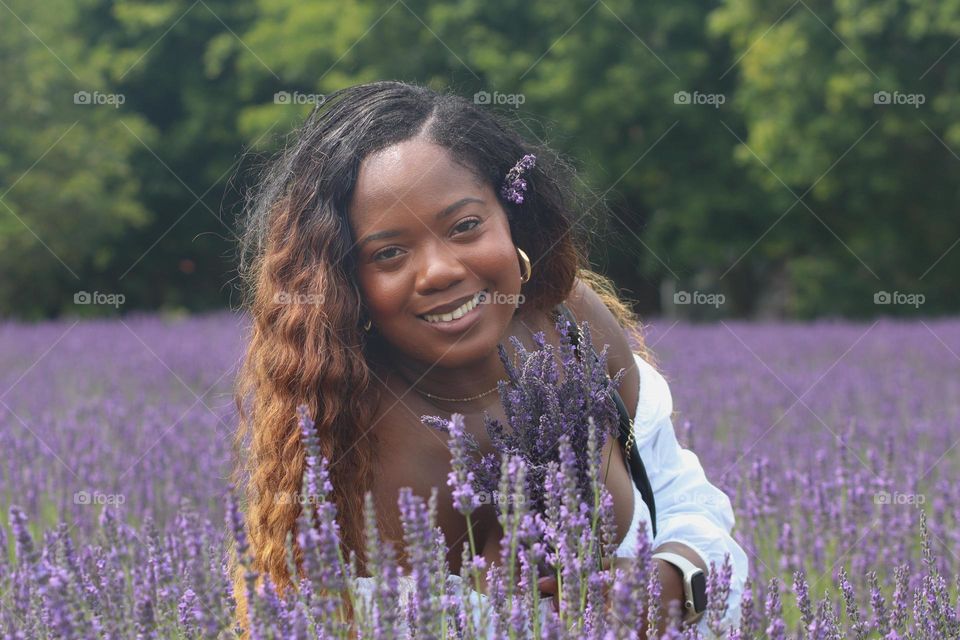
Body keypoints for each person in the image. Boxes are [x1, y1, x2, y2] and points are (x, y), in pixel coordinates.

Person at [229, 79, 747, 638]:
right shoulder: (341, 427)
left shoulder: (570, 324)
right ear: (346, 284)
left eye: (465, 226)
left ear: (510, 218)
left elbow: (678, 494)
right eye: (389, 253)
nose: (441, 270)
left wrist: (669, 582)